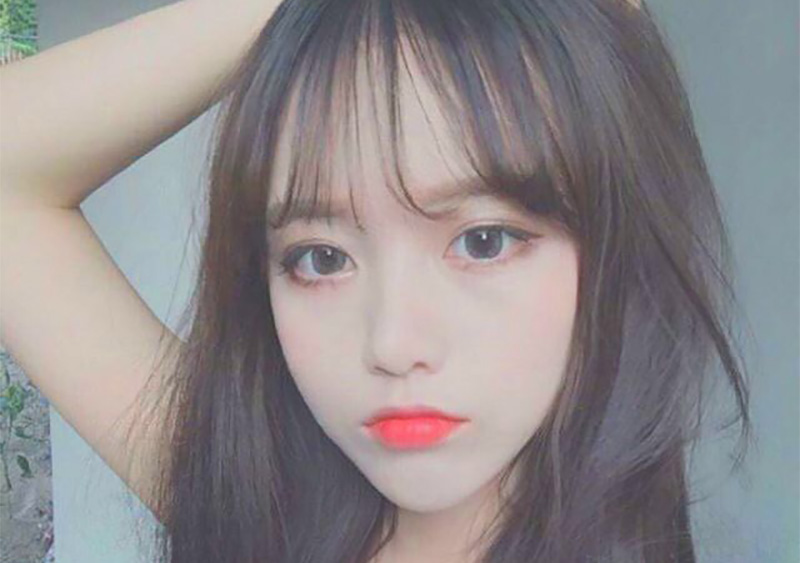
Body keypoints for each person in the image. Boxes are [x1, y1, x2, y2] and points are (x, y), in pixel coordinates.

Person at [0, 0, 752, 562]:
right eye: (321, 258)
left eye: (482, 241)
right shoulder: (262, 511)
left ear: (613, 249)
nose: (391, 344)